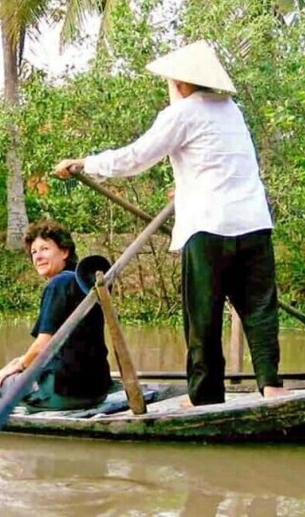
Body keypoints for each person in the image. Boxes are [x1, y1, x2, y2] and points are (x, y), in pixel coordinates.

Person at [54, 40, 288, 406]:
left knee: (203, 316)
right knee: (259, 310)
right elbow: (221, 163)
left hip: (209, 229)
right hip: (254, 223)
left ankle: (205, 396)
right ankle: (271, 386)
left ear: (180, 83)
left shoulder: (182, 114)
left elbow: (134, 158)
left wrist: (85, 163)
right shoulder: (232, 111)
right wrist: (184, 189)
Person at [0, 220, 112, 409]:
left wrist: (20, 365)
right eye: (34, 252)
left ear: (65, 252)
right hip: (97, 392)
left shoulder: (58, 284)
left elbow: (42, 346)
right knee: (12, 370)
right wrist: (22, 360)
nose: (38, 257)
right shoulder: (86, 287)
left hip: (64, 393)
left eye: (45, 249)